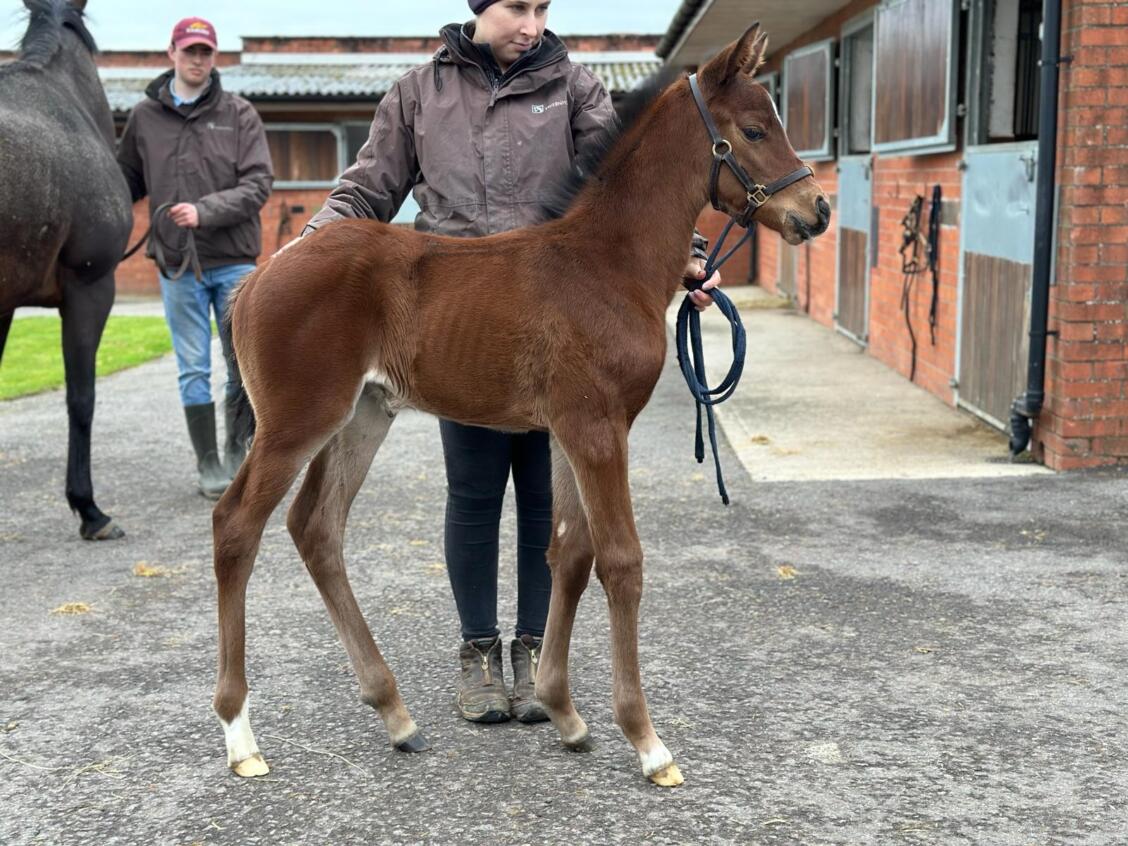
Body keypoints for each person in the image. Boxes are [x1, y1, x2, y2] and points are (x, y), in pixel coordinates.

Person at [301, 0, 718, 724]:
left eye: (542, 7)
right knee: (472, 492)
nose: (532, 24)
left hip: (561, 315)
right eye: (516, 7)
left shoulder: (575, 88)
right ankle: (477, 649)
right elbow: (368, 189)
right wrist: (305, 256)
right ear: (479, 8)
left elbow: (632, 186)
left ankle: (533, 649)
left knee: (544, 499)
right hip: (462, 316)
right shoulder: (419, 93)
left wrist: (689, 258)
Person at [117, 17, 273, 500]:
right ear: (172, 53)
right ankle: (208, 465)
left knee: (241, 365)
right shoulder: (144, 117)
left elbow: (258, 184)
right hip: (175, 264)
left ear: (214, 56)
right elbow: (125, 182)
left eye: (205, 51)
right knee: (191, 367)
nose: (197, 59)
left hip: (233, 260)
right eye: (190, 51)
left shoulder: (239, 113)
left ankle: (236, 454)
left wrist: (204, 211)